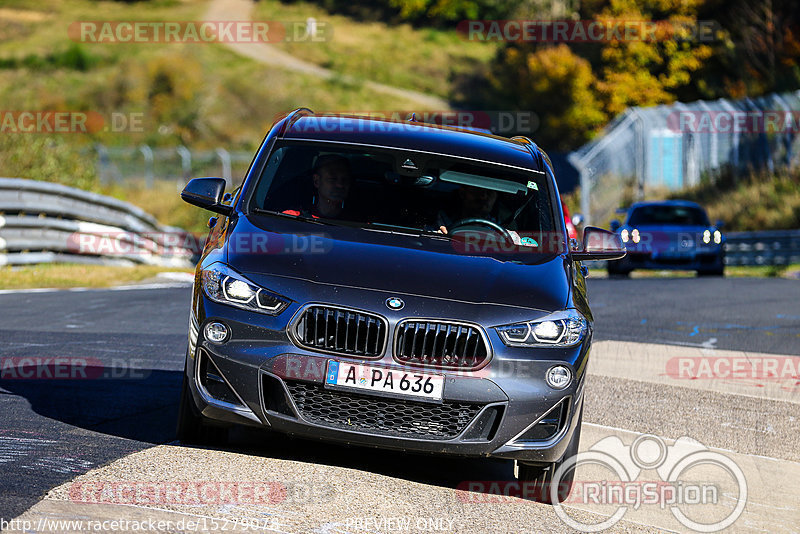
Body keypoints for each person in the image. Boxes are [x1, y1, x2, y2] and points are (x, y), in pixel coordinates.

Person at [283, 154, 354, 219]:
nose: (340, 185)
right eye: (332, 179)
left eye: (345, 179)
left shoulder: (358, 224)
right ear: (316, 181)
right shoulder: (294, 217)